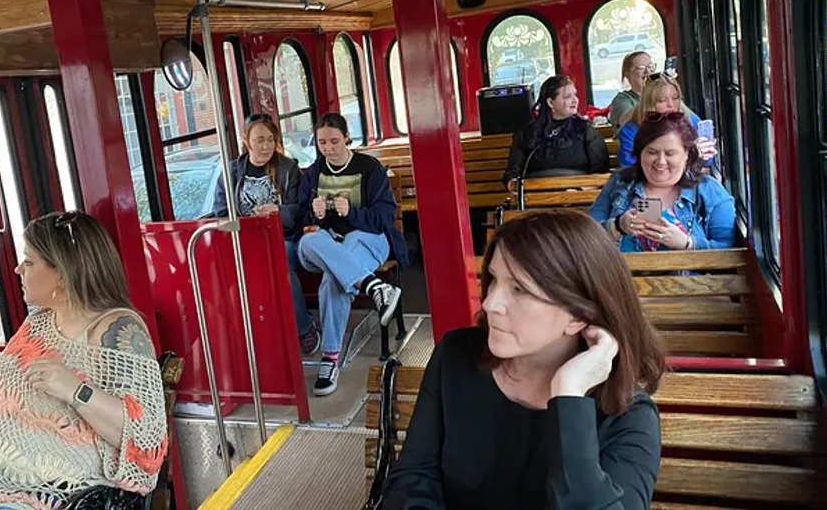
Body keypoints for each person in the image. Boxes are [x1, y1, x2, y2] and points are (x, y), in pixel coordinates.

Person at [381, 210, 665, 509]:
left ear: (579, 315)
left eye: (519, 290)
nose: (490, 304)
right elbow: (415, 477)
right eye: (494, 280)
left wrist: (568, 395)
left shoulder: (627, 417)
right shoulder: (457, 355)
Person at [0, 212, 168, 510]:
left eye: (29, 262)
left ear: (62, 274)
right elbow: (20, 402)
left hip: (60, 498)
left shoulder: (117, 329)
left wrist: (77, 392)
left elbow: (146, 438)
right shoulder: (37, 323)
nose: (17, 269)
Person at [296, 113, 408, 396]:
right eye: (322, 142)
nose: (328, 148)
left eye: (334, 141)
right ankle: (374, 286)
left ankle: (330, 358)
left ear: (346, 137)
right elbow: (301, 217)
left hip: (367, 239)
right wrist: (314, 213)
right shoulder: (313, 173)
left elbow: (384, 217)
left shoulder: (369, 168)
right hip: (325, 244)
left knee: (333, 280)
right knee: (309, 240)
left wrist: (352, 212)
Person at [213, 113, 318, 355]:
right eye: (259, 140)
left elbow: (300, 210)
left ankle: (304, 328)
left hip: (283, 237)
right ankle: (243, 337)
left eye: (270, 140)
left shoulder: (287, 168)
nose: (266, 146)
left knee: (280, 263)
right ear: (246, 141)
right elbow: (222, 210)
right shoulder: (231, 172)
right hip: (245, 239)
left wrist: (277, 212)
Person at [589, 113, 737, 251]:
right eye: (652, 152)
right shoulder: (620, 182)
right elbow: (586, 236)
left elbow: (728, 248)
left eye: (670, 153)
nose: (660, 162)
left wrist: (688, 243)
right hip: (622, 277)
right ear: (640, 154)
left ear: (687, 154)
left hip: (690, 279)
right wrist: (617, 226)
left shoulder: (709, 189)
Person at [501, 75, 610, 187]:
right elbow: (512, 174)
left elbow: (601, 174)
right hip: (535, 196)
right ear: (551, 103)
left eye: (575, 95)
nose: (575, 100)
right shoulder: (528, 133)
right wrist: (518, 188)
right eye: (567, 97)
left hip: (577, 196)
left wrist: (580, 190)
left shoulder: (585, 130)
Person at [616, 73, 716, 168]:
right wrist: (689, 156)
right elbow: (629, 167)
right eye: (662, 100)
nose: (671, 104)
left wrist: (705, 152)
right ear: (649, 103)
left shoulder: (690, 119)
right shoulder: (631, 130)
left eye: (676, 98)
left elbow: (707, 161)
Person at [608, 51, 653, 128]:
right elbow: (625, 122)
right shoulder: (622, 99)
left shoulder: (659, 96)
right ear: (627, 74)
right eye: (641, 68)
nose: (647, 71)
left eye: (650, 66)